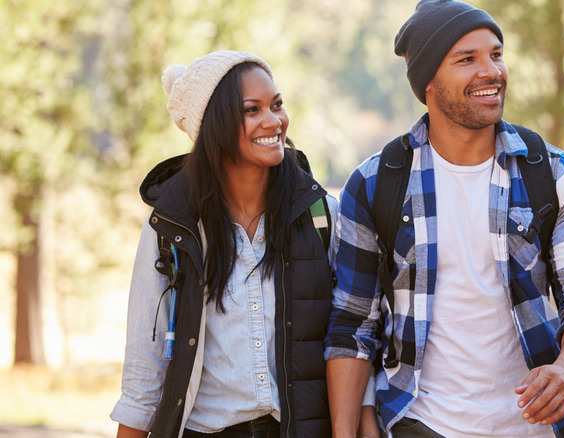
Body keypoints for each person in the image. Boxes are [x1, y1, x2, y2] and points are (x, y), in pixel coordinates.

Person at [325, 1, 564, 437]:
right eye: (467, 59)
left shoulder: (553, 173)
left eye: (496, 54)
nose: (491, 71)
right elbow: (352, 325)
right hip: (420, 422)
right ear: (427, 83)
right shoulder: (374, 184)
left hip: (538, 427)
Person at [111, 50, 377, 438]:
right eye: (252, 110)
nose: (274, 121)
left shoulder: (322, 215)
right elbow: (144, 369)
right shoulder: (172, 228)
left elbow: (355, 336)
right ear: (214, 126)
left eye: (277, 105)